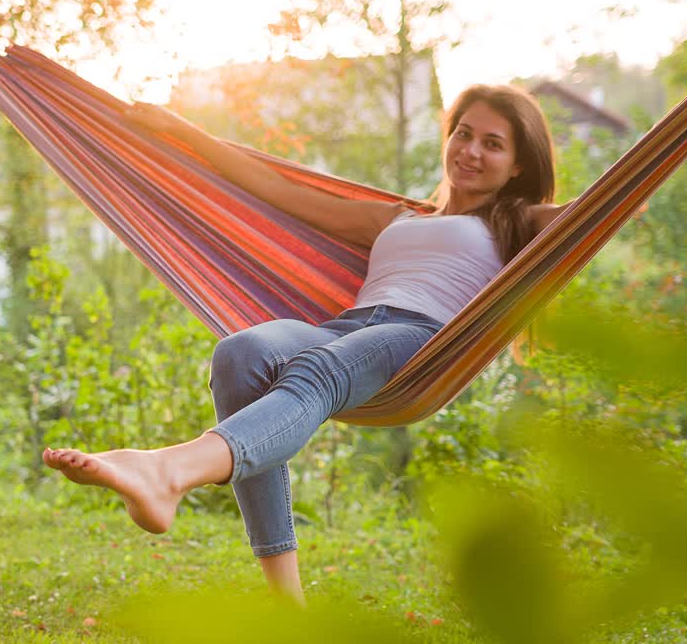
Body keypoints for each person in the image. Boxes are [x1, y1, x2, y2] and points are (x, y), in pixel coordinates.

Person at [42, 84, 570, 604]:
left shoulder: (519, 222)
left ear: (518, 166)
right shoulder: (395, 218)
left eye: (493, 144)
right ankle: (287, 604)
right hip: (348, 328)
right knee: (239, 353)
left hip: (424, 342)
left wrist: (646, 168)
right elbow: (279, 191)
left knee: (318, 367)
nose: (471, 151)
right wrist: (179, 129)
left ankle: (169, 471)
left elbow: (607, 208)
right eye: (463, 133)